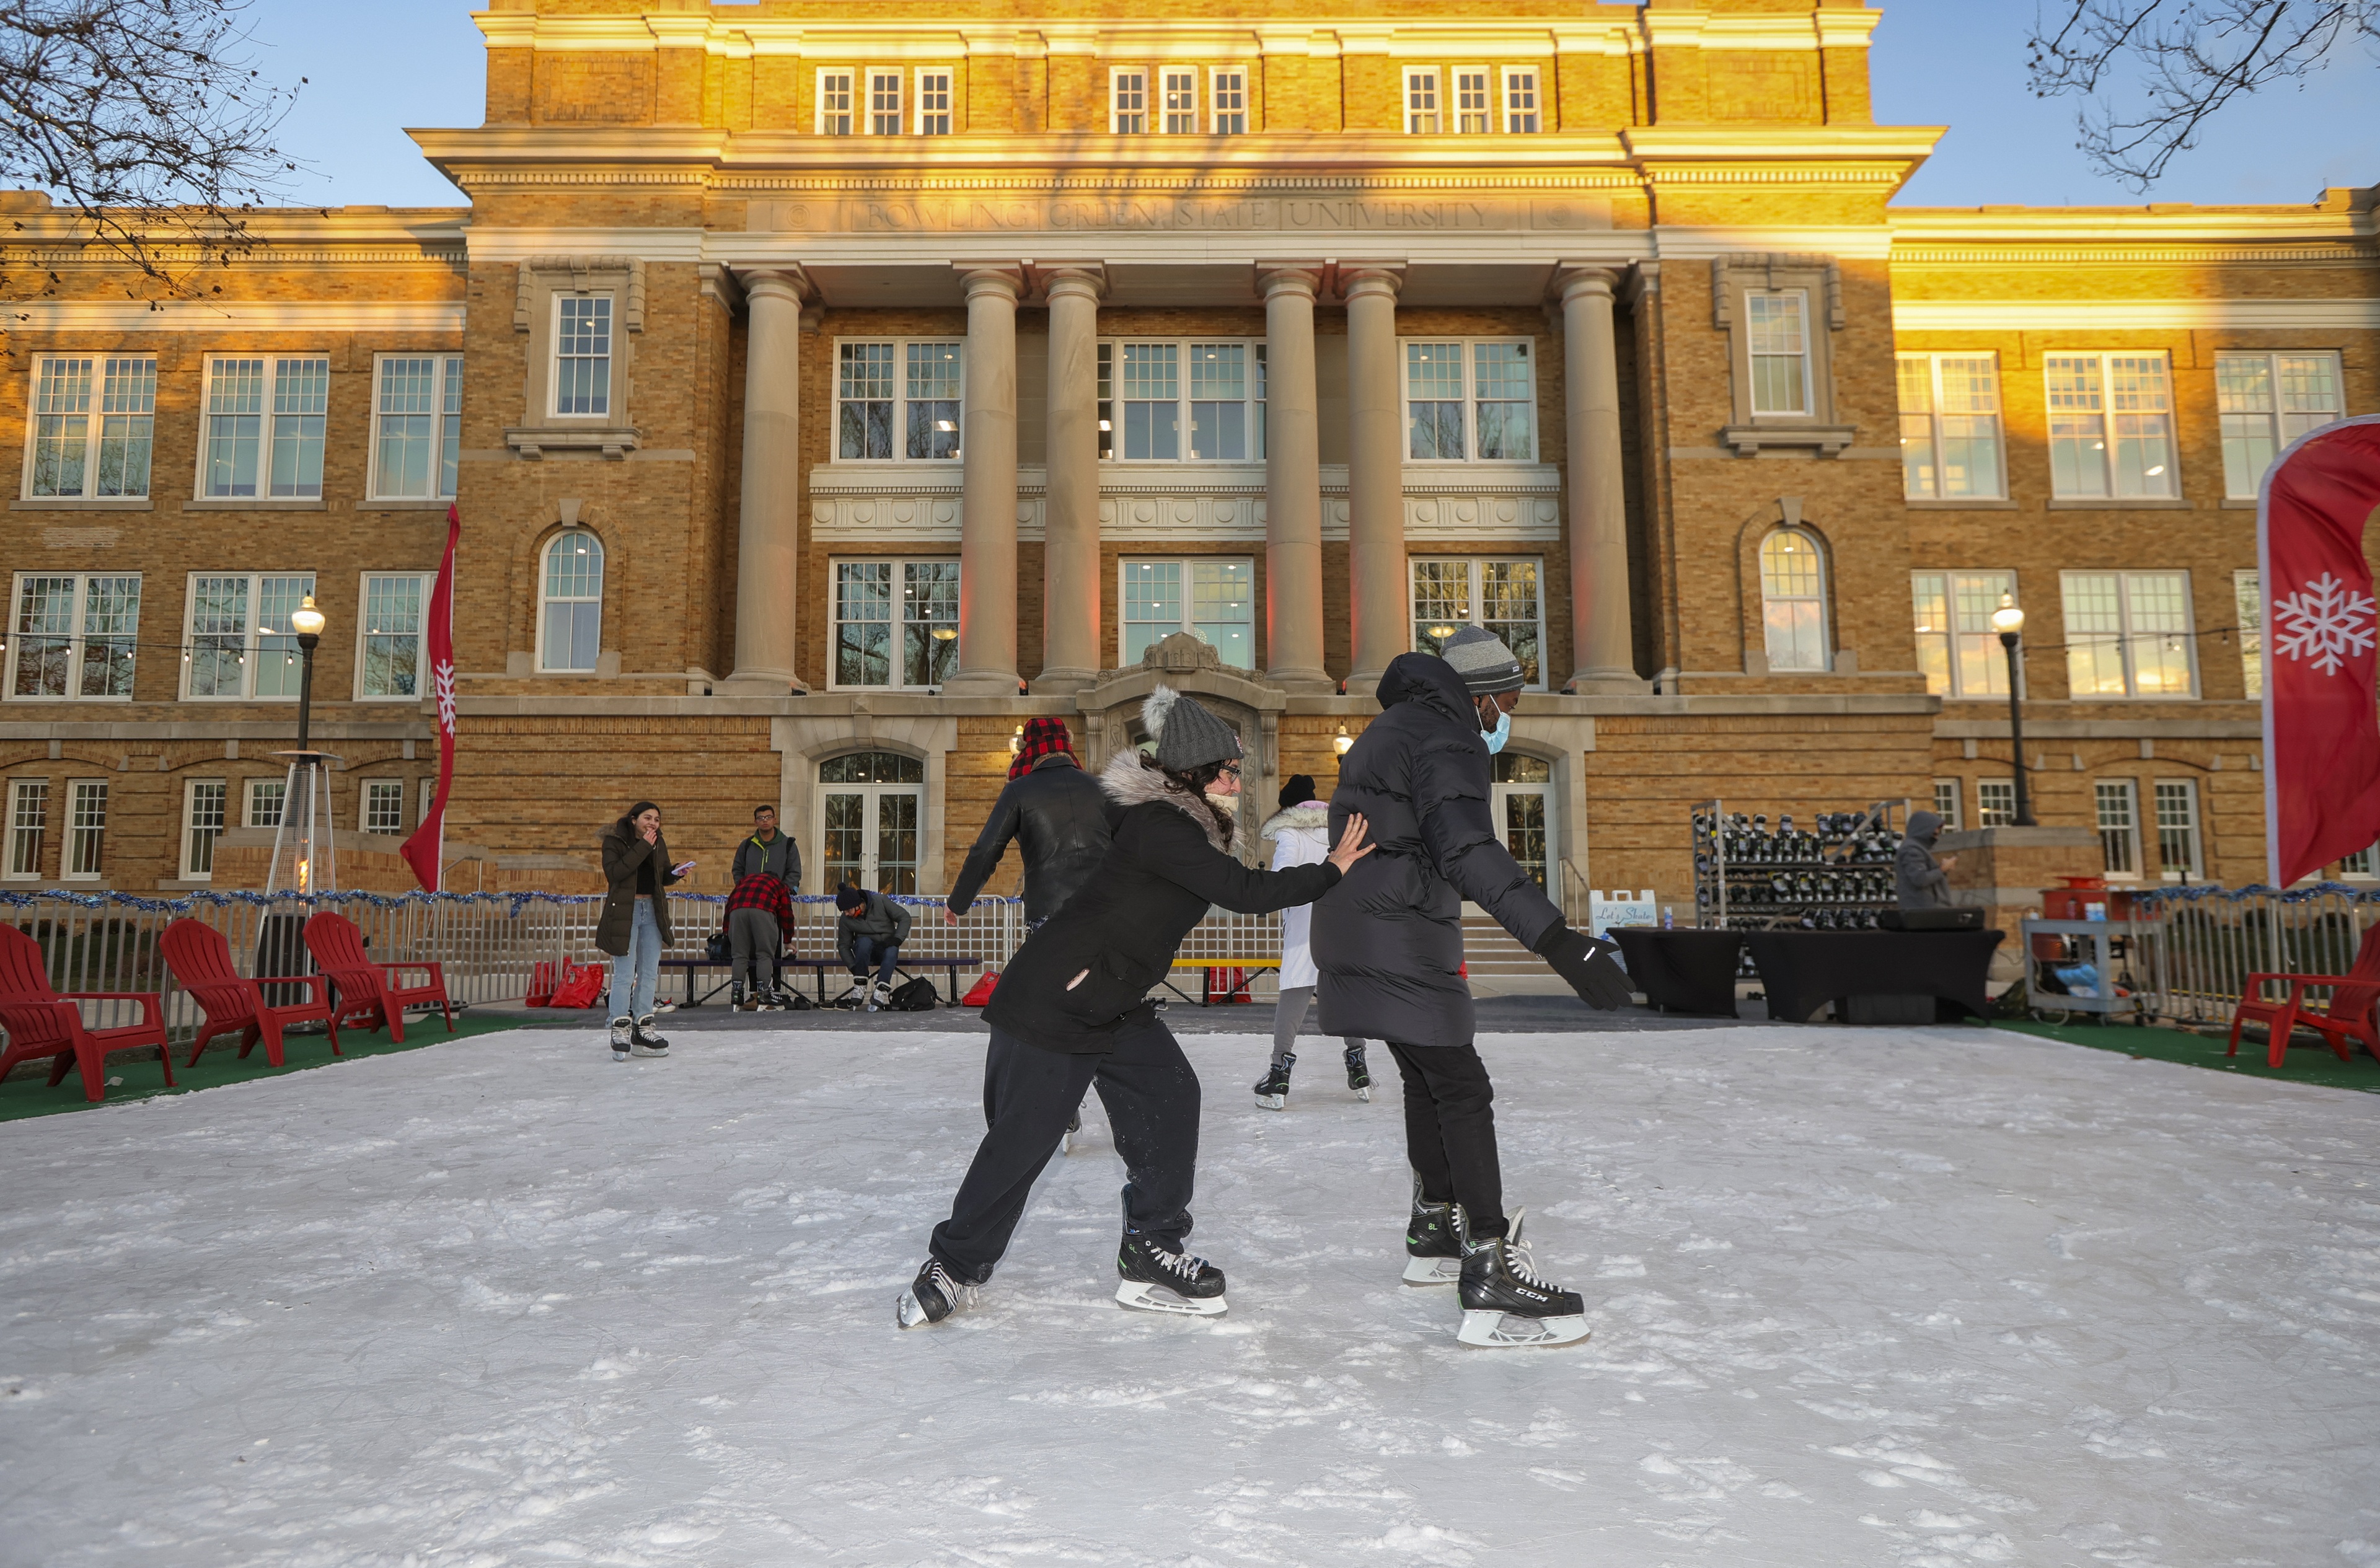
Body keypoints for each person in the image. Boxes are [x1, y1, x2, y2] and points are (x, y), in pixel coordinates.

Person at [897, 685, 1373, 1329]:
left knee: (1172, 1096)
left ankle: (1151, 1246)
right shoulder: (1163, 826)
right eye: (1230, 769)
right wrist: (1333, 869)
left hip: (1113, 1000)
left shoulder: (1182, 826)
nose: (1238, 779)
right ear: (1199, 774)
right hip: (1056, 999)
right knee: (1023, 1140)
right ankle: (951, 1266)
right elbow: (1244, 890)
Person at [1314, 627, 1634, 1348]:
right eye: (1511, 696)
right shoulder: (1445, 736)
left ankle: (1434, 1230)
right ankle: (1486, 1261)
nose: (1511, 712)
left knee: (1430, 1081)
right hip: (1397, 935)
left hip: (1362, 929)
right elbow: (1467, 848)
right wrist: (1558, 940)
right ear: (1481, 695)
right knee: (1462, 1086)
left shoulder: (1387, 729)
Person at [1254, 774, 1375, 1109]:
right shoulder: (1337, 828)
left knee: (1294, 998)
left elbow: (1283, 876)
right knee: (1347, 996)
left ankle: (1279, 1076)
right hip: (1343, 922)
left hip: (1307, 925)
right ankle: (1358, 1067)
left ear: (1287, 809)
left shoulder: (1290, 832)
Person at [946, 716, 1114, 931]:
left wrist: (957, 903)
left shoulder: (1018, 791)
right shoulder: (1101, 787)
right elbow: (1127, 846)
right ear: (1067, 744)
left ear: (1029, 748)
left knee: (1052, 965)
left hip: (1049, 913)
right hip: (1104, 908)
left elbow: (985, 851)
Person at [598, 801, 689, 1060]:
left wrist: (676, 873)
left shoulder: (657, 842)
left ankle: (643, 1025)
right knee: (625, 974)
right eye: (647, 818)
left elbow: (660, 875)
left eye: (657, 820)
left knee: (649, 973)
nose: (653, 823)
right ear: (634, 819)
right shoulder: (614, 842)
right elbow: (616, 873)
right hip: (626, 913)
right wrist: (644, 847)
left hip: (652, 911)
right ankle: (619, 1026)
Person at [731, 804, 800, 1003]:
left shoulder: (787, 844)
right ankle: (761, 993)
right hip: (755, 904)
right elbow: (737, 869)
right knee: (763, 953)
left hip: (762, 904)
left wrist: (782, 891)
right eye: (760, 818)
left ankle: (747, 991)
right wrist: (743, 884)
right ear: (755, 821)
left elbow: (794, 872)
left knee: (747, 953)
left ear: (775, 820)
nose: (765, 821)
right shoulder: (747, 845)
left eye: (768, 817)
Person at [723, 866, 795, 1011]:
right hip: (763, 911)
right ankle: (764, 994)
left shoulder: (745, 881)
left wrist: (726, 932)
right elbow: (787, 915)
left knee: (739, 956)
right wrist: (788, 941)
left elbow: (729, 905)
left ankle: (736, 995)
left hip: (737, 912)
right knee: (764, 955)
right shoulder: (780, 885)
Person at [835, 880, 913, 1011]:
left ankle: (882, 989)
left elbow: (904, 917)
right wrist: (853, 967)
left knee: (892, 950)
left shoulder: (880, 901)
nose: (846, 914)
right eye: (844, 911)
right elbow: (843, 945)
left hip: (886, 947)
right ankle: (860, 984)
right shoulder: (846, 919)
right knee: (864, 942)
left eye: (848, 910)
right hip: (864, 953)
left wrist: (897, 939)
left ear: (858, 905)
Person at [1897, 809, 1956, 910]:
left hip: (1924, 910)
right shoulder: (1912, 849)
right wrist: (1942, 869)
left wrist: (1940, 869)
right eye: (1935, 829)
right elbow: (1920, 879)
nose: (1938, 833)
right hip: (1922, 910)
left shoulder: (1917, 848)